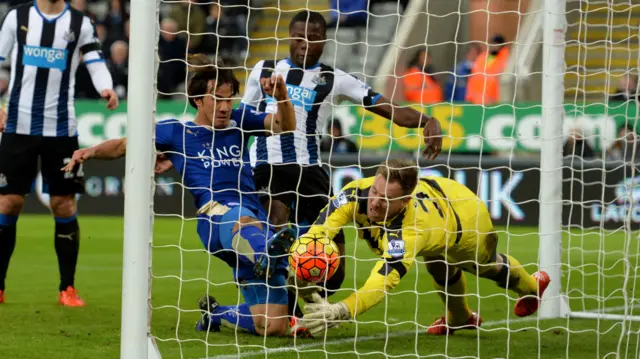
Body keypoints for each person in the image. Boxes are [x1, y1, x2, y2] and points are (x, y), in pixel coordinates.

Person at [63, 56, 297, 337]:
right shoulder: (178, 132)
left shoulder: (240, 120)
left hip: (254, 220)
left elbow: (284, 126)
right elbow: (124, 145)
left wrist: (282, 96)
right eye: (216, 99)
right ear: (198, 100)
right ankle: (276, 257)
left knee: (272, 327)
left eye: (229, 99)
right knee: (243, 222)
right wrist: (88, 152)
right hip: (216, 217)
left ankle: (217, 313)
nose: (225, 107)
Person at [241, 10, 443, 319]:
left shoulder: (334, 79)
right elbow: (242, 121)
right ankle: (274, 256)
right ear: (289, 37)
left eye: (312, 39)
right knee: (278, 224)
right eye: (298, 38)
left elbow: (389, 109)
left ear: (324, 40)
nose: (303, 45)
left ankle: (289, 308)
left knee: (333, 269)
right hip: (269, 166)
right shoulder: (263, 70)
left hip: (310, 173)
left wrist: (427, 120)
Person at [281, 159, 550, 336]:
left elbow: (381, 281)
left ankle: (531, 286)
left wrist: (342, 310)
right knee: (437, 265)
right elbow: (320, 230)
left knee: (484, 266)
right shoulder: (355, 193)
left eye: (386, 199)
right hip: (438, 197)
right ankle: (461, 318)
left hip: (463, 220)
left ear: (404, 201)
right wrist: (301, 255)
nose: (374, 202)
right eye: (375, 191)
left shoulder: (409, 233)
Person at [0, 0, 118, 306]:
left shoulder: (81, 23)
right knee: (9, 202)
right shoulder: (18, 17)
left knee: (63, 205)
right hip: (18, 124)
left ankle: (68, 288)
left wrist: (106, 87)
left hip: (62, 128)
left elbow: (93, 59)